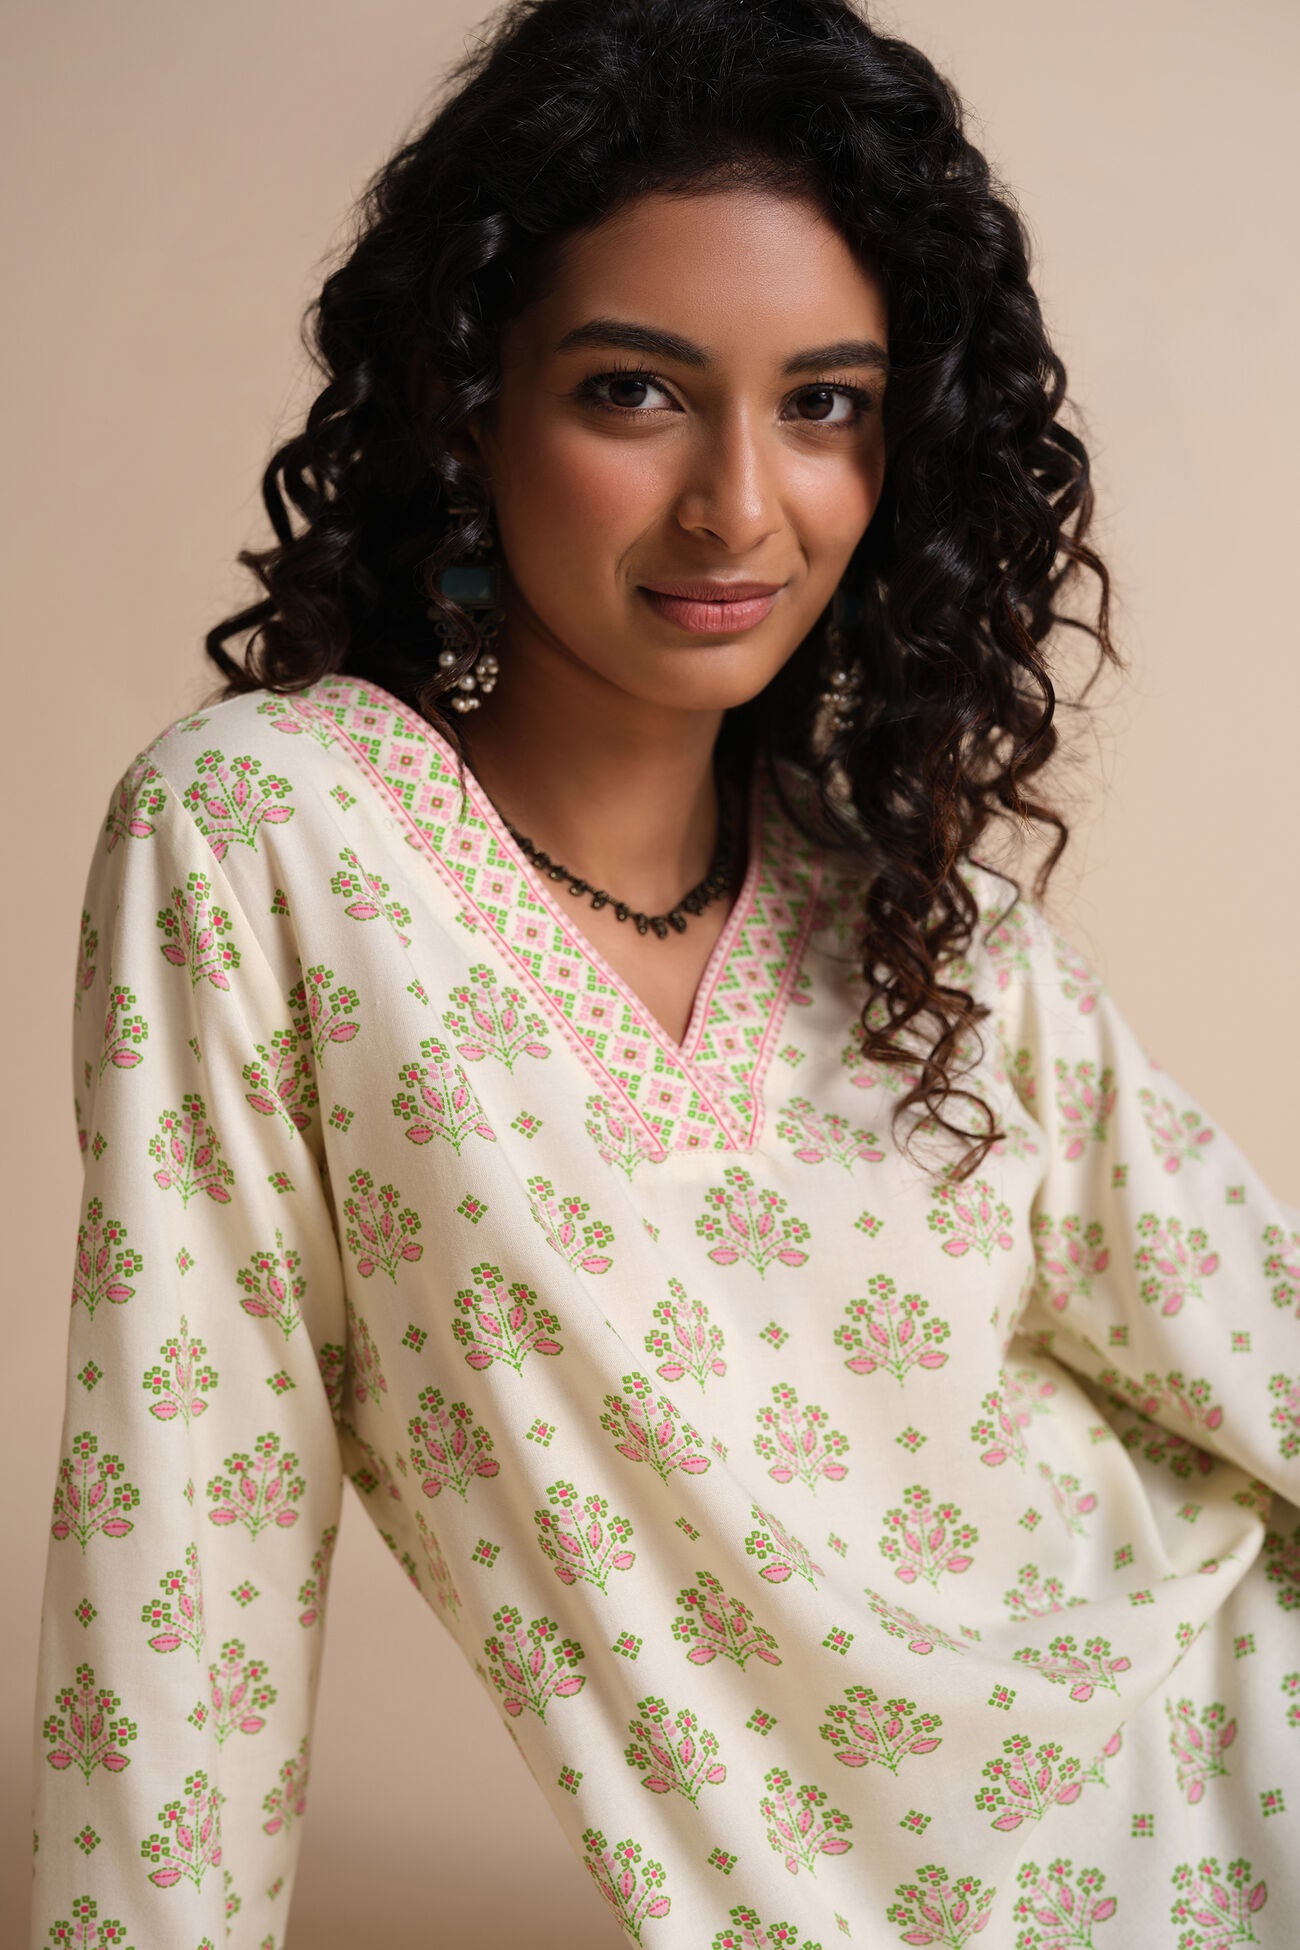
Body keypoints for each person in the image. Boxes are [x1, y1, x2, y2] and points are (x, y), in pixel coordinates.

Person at [29, 0, 1300, 1944]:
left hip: (1240, 1753)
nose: (736, 504)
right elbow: (179, 1548)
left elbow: (1253, 1329)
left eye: (822, 403)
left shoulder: (920, 928)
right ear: (470, 399)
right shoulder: (275, 839)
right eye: (632, 392)